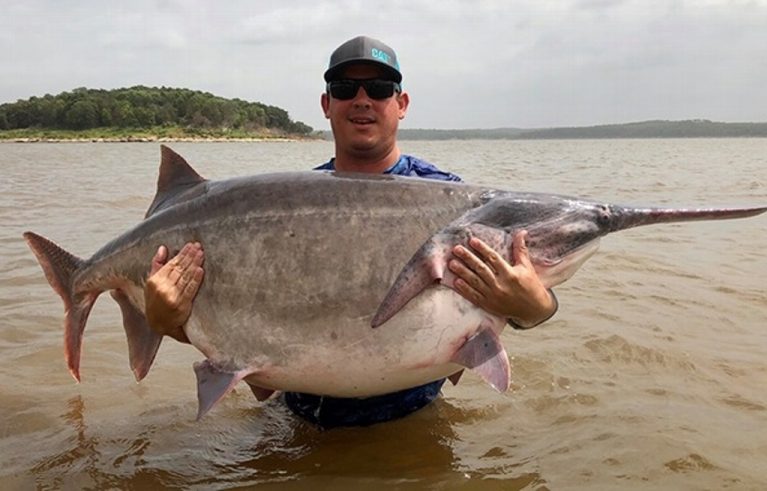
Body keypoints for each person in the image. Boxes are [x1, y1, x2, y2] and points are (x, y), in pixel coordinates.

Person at [144, 36, 558, 428]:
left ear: (402, 103)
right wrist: (167, 323)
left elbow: (512, 287)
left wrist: (537, 309)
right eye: (345, 88)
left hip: (412, 420)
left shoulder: (449, 199)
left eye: (379, 88)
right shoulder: (288, 206)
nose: (362, 100)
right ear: (326, 104)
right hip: (296, 419)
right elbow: (242, 318)